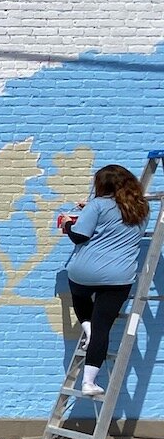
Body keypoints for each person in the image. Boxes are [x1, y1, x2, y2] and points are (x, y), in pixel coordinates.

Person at [59, 164, 150, 398]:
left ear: (102, 185)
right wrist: (88, 209)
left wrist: (68, 223)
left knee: (78, 294)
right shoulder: (142, 208)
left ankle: (87, 328)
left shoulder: (98, 205)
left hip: (85, 273)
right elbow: (115, 219)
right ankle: (89, 382)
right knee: (104, 328)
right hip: (119, 277)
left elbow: (80, 235)